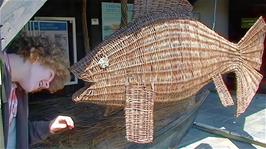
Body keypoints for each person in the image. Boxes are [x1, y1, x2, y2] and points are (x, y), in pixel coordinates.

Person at [0, 33, 74, 149]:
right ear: (37, 55)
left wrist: (48, 127)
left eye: (48, 86)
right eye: (50, 75)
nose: (46, 85)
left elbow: (17, 135)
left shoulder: (17, 92)